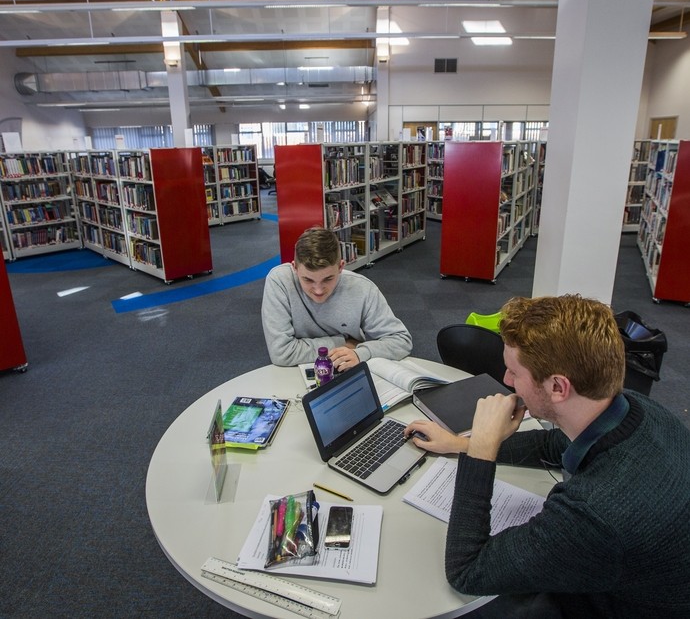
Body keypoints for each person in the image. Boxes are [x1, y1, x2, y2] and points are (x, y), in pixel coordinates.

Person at [404, 294, 690, 619]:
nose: (506, 381)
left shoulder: (595, 514)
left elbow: (468, 571)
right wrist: (461, 444)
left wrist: (482, 449)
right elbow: (555, 445)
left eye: (514, 372)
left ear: (558, 387)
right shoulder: (637, 407)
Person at [261, 227, 412, 368]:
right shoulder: (279, 281)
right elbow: (281, 353)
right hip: (294, 370)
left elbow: (401, 341)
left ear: (341, 267)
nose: (318, 290)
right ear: (294, 268)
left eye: (327, 279)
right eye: (308, 280)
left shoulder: (363, 288)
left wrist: (360, 353)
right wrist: (342, 343)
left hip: (348, 364)